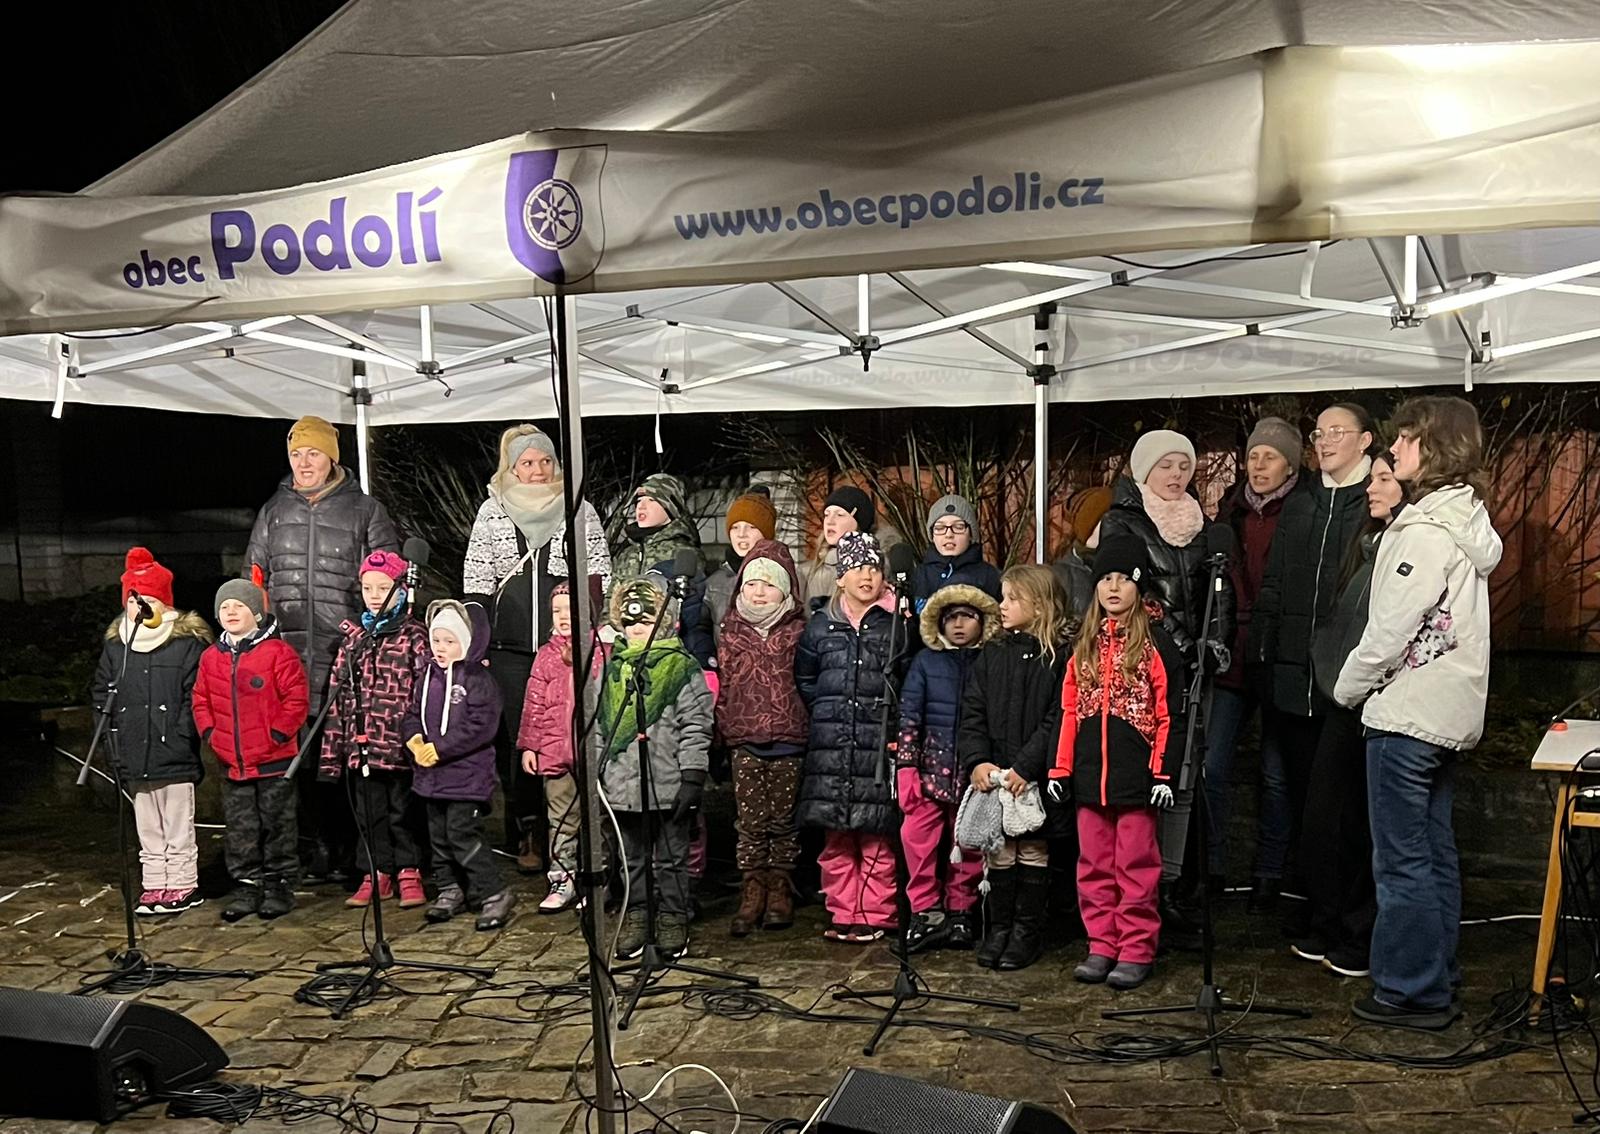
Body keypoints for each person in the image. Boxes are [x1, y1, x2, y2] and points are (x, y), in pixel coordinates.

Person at [1335, 397, 1500, 1030]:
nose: (1394, 449)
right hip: (1444, 715)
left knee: (1401, 860)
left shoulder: (1427, 531)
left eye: (1405, 439)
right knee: (1432, 851)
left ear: (1433, 448)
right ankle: (1437, 974)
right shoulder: (1462, 522)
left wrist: (1347, 689)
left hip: (1407, 717)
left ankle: (1410, 990)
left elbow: (1390, 630)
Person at [245, 415, 400, 885]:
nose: (304, 462)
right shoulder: (273, 511)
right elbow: (254, 578)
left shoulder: (366, 511)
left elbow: (390, 576)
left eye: (313, 453)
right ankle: (317, 849)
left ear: (331, 457)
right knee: (302, 759)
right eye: (296, 454)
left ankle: (358, 853)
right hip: (288, 655)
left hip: (346, 653)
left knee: (349, 756)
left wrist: (371, 635)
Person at [1095, 428, 1234, 935]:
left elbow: (1220, 591)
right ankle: (1138, 889)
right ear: (1143, 469)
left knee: (1186, 774)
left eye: (1183, 466)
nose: (1176, 475)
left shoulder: (1203, 525)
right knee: (1148, 774)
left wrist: (1214, 642)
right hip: (1145, 664)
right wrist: (1178, 643)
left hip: (1198, 670)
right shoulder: (1122, 521)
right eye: (1165, 466)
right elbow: (1134, 593)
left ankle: (1170, 885)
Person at [463, 423, 611, 874]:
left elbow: (599, 574)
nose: (538, 470)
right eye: (527, 462)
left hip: (563, 647)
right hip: (508, 650)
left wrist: (589, 629)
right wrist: (480, 642)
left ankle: (567, 831)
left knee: (565, 736)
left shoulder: (578, 509)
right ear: (512, 467)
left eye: (546, 461)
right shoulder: (492, 511)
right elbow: (477, 579)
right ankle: (527, 828)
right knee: (520, 741)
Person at [1252, 403, 1375, 915]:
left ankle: (1348, 913)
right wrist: (1266, 655)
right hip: (1292, 680)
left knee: (1345, 806)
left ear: (1365, 441)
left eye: (1336, 432)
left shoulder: (1376, 502)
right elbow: (1275, 584)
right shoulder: (1301, 503)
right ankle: (1315, 904)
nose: (1323, 442)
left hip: (1349, 684)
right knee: (1303, 798)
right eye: (1319, 433)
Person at [1049, 536, 1185, 990]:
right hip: (1090, 778)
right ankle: (1102, 943)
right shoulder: (1084, 645)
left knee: (1135, 866)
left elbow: (1169, 715)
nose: (1112, 587)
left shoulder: (1156, 645)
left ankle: (1136, 948)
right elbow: (1068, 711)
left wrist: (1163, 772)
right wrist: (1060, 769)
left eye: (1123, 579)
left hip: (1135, 780)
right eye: (1105, 578)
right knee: (1093, 865)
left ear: (1139, 586)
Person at [1294, 454, 1406, 978]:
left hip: (1379, 701)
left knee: (1363, 821)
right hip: (1342, 695)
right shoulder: (1366, 547)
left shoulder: (1409, 548)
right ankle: (1329, 919)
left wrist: (1354, 683)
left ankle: (1360, 933)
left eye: (1385, 479)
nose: (1372, 488)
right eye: (1372, 478)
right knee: (1325, 815)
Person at [1205, 417, 1304, 906]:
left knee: (1276, 774)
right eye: (1253, 456)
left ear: (1291, 465)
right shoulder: (1229, 513)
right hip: (1233, 655)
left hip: (1281, 655)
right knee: (1210, 766)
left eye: (1271, 456)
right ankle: (1213, 868)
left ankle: (1269, 873)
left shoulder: (1303, 511)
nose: (1259, 465)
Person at [795, 532, 911, 943]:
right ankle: (844, 910)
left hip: (876, 744)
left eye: (874, 568)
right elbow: (806, 679)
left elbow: (906, 678)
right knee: (837, 837)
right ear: (840, 577)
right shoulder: (820, 626)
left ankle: (875, 913)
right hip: (832, 744)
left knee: (876, 835)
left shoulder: (897, 625)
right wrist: (830, 712)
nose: (867, 576)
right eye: (858, 568)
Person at [960, 564, 1074, 971]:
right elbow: (973, 710)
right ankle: (999, 929)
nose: (1002, 605)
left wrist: (1026, 766)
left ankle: (1027, 932)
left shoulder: (1059, 657)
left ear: (1039, 606)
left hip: (1035, 776)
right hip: (997, 773)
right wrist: (977, 760)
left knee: (1033, 846)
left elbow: (1058, 717)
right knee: (1000, 849)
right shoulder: (993, 653)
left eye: (1012, 598)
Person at [92, 548, 212, 916]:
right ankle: (155, 883)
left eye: (146, 599)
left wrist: (181, 733)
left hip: (171, 748)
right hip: (133, 748)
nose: (138, 606)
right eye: (132, 600)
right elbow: (102, 693)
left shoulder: (185, 643)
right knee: (147, 824)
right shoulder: (118, 647)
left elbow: (195, 694)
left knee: (176, 823)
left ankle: (183, 883)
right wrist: (112, 736)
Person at [599, 576, 714, 960]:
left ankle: (672, 916)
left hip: (667, 784)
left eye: (646, 622)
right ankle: (637, 913)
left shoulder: (681, 668)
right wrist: (599, 773)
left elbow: (696, 724)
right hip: (622, 785)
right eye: (630, 623)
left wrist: (692, 775)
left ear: (662, 624)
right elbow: (599, 724)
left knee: (670, 859)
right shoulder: (612, 671)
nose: (637, 630)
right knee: (630, 859)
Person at [318, 551, 430, 912]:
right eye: (368, 588)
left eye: (383, 588)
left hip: (401, 747)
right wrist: (332, 755)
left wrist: (422, 741)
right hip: (362, 746)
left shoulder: (414, 636)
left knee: (403, 813)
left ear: (400, 588)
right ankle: (375, 871)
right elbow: (337, 698)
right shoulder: (354, 638)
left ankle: (409, 870)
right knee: (370, 814)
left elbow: (426, 693)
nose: (375, 595)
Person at [192, 579, 310, 922]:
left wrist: (276, 734)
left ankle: (278, 886)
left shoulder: (278, 653)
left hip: (274, 761)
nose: (231, 612)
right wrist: (211, 733)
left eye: (239, 606)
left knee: (277, 825)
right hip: (233, 763)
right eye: (225, 607)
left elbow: (296, 700)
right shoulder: (211, 657)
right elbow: (200, 699)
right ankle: (247, 885)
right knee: (240, 829)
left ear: (256, 613)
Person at [896, 583, 1000, 953]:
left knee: (968, 843)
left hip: (973, 773)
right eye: (951, 617)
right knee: (918, 841)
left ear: (982, 621)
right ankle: (926, 912)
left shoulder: (990, 661)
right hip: (930, 771)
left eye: (967, 617)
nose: (958, 624)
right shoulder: (926, 662)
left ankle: (961, 911)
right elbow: (909, 716)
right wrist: (906, 766)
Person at [715, 540, 809, 937]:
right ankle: (752, 887)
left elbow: (809, 682)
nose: (758, 592)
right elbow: (723, 685)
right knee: (751, 822)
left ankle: (780, 887)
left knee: (783, 820)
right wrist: (722, 730)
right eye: (752, 584)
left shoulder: (800, 631)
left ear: (785, 590)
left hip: (790, 737)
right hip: (745, 737)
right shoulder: (731, 632)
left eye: (769, 585)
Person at [406, 599, 515, 931]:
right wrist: (414, 739)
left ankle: (492, 891)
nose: (440, 648)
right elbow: (413, 714)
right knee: (438, 837)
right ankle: (449, 888)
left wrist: (439, 748)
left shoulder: (477, 679)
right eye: (436, 640)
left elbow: (481, 727)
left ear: (465, 642)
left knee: (462, 834)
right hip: (432, 777)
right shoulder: (427, 676)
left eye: (449, 641)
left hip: (467, 776)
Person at [518, 581, 607, 914]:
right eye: (557, 610)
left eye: (571, 609)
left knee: (598, 821)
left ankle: (599, 881)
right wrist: (530, 746)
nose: (563, 616)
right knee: (561, 820)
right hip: (555, 753)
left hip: (594, 754)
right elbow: (534, 704)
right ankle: (562, 879)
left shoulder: (602, 652)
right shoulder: (546, 656)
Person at [703, 487, 779, 659]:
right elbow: (702, 630)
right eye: (735, 527)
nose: (742, 535)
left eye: (751, 527)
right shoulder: (715, 582)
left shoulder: (786, 578)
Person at [910, 494, 1002, 612]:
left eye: (958, 527)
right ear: (932, 535)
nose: (949, 534)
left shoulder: (990, 576)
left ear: (971, 534)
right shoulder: (918, 576)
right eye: (940, 528)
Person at [798, 485, 877, 608]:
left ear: (859, 523)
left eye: (840, 515)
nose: (830, 521)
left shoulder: (876, 572)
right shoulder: (806, 573)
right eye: (826, 514)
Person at [1052, 486, 1113, 618]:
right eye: (1107, 522)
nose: (1113, 529)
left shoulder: (1123, 567)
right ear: (1088, 528)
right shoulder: (1062, 577)